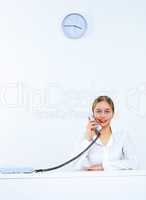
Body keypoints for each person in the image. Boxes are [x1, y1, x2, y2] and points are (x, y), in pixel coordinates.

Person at [75, 95, 138, 171]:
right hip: (92, 181)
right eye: (98, 111)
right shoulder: (86, 136)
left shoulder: (122, 135)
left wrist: (104, 166)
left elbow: (134, 163)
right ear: (92, 115)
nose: (103, 115)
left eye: (107, 111)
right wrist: (87, 139)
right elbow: (76, 165)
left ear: (113, 114)